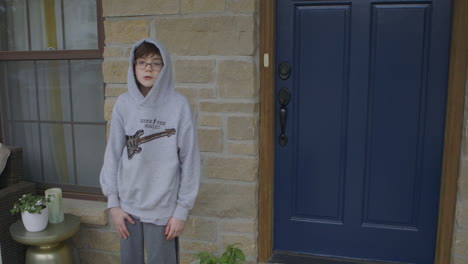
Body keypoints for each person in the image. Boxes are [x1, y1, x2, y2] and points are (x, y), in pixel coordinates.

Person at [100, 38, 200, 264]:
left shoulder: (179, 105)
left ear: (165, 68)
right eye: (142, 62)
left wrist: (181, 211)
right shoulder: (124, 105)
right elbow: (113, 155)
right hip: (127, 207)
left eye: (156, 63)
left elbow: (190, 160)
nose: (148, 68)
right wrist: (113, 203)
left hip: (164, 209)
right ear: (133, 67)